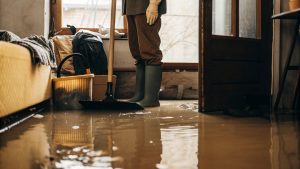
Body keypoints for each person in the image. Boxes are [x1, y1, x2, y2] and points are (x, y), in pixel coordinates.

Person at [122, 0, 167, 107]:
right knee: (137, 52)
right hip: (131, 7)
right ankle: (140, 94)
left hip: (145, 6)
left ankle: (151, 98)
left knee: (149, 51)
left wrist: (154, 4)